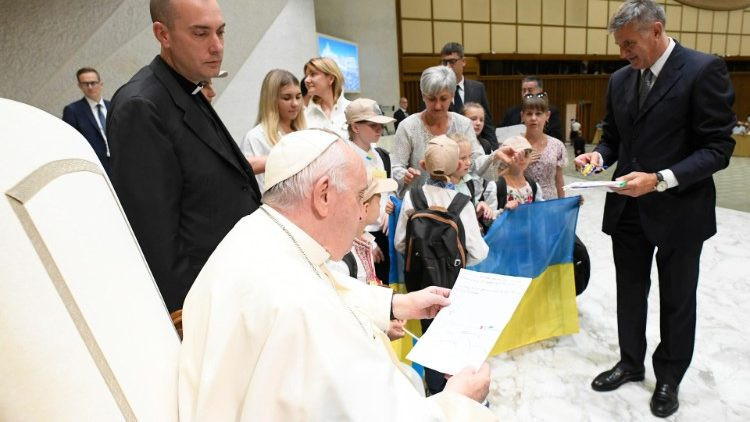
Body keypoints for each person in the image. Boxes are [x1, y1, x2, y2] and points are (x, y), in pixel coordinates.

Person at [179, 129, 495, 421]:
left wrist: (396, 305)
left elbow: (322, 280)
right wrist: (458, 402)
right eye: (359, 196)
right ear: (324, 195)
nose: (361, 213)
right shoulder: (304, 312)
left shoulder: (256, 232)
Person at [574, 0, 735, 418]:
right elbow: (614, 138)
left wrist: (660, 178)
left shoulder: (703, 70)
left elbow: (718, 148)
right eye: (620, 45)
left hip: (681, 208)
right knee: (629, 292)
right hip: (628, 207)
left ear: (657, 31)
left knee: (677, 298)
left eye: (629, 43)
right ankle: (630, 362)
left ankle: (669, 377)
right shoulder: (620, 79)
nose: (623, 53)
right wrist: (598, 156)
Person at [106, 0, 261, 313]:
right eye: (201, 34)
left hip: (237, 286)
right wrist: (186, 318)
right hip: (205, 304)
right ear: (163, 34)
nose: (217, 46)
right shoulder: (141, 106)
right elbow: (154, 237)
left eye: (220, 32)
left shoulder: (187, 86)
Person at [395, 135, 489, 396]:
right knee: (455, 338)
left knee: (429, 334)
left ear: (423, 164)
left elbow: (401, 243)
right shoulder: (461, 204)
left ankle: (434, 388)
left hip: (419, 283)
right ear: (456, 165)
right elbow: (479, 252)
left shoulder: (413, 197)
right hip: (454, 284)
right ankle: (457, 391)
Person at [391, 65, 514, 196]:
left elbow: (475, 162)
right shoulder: (408, 126)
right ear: (423, 96)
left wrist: (495, 157)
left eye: (443, 99)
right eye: (431, 99)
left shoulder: (463, 124)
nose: (437, 105)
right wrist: (404, 175)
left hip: (456, 203)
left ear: (452, 95)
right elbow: (396, 167)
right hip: (419, 203)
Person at [345, 98, 396, 283]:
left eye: (380, 125)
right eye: (372, 125)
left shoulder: (381, 155)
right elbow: (346, 205)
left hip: (385, 230)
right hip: (360, 235)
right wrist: (365, 239)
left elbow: (387, 191)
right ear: (355, 127)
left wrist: (389, 209)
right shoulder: (345, 158)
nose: (379, 129)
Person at [239, 69, 306, 192]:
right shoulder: (256, 137)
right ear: (271, 100)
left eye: (298, 97)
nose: (295, 104)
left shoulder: (305, 133)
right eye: (287, 98)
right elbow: (256, 188)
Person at [440, 42, 498, 149]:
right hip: (447, 149)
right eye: (444, 62)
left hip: (474, 147)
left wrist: (495, 152)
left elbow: (488, 125)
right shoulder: (437, 92)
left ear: (463, 61)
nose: (447, 66)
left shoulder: (477, 88)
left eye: (452, 61)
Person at [62, 67, 111, 174]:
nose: (90, 87)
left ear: (101, 83)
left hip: (119, 162)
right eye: (85, 84)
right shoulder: (72, 111)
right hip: (95, 166)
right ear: (80, 86)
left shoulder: (112, 106)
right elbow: (71, 142)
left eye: (93, 83)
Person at [520, 93, 567, 200]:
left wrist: (563, 204)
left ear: (547, 115)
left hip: (550, 201)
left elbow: (559, 180)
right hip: (523, 201)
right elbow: (504, 177)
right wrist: (522, 164)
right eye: (529, 114)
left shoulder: (557, 145)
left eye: (538, 114)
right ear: (522, 116)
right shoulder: (514, 144)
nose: (533, 118)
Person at [447, 133, 497, 224]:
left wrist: (479, 206)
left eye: (470, 156)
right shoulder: (441, 187)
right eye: (463, 158)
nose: (469, 162)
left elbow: (471, 210)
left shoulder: (468, 181)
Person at [500, 76, 564, 142]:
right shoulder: (511, 112)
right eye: (524, 90)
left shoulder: (551, 111)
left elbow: (557, 137)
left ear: (540, 91)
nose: (526, 93)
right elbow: (501, 134)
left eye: (530, 90)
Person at [303, 57, 350, 140]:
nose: (306, 80)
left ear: (331, 79)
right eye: (306, 76)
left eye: (313, 74)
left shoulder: (352, 110)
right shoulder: (304, 115)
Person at [495, 136, 544, 215]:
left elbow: (540, 213)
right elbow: (488, 217)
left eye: (526, 154)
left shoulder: (533, 186)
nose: (522, 159)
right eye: (517, 154)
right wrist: (503, 212)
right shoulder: (497, 186)